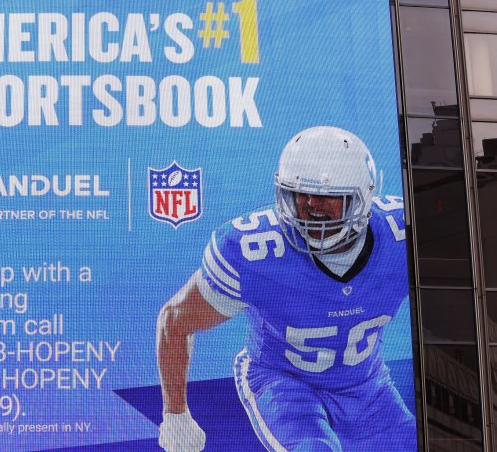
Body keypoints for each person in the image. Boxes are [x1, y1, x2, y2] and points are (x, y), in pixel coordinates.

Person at [157, 126, 416, 452]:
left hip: (366, 385)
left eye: (327, 195)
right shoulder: (254, 251)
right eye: (299, 193)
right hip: (283, 381)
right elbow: (175, 320)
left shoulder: (402, 236)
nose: (311, 206)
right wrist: (175, 414)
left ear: (361, 198)